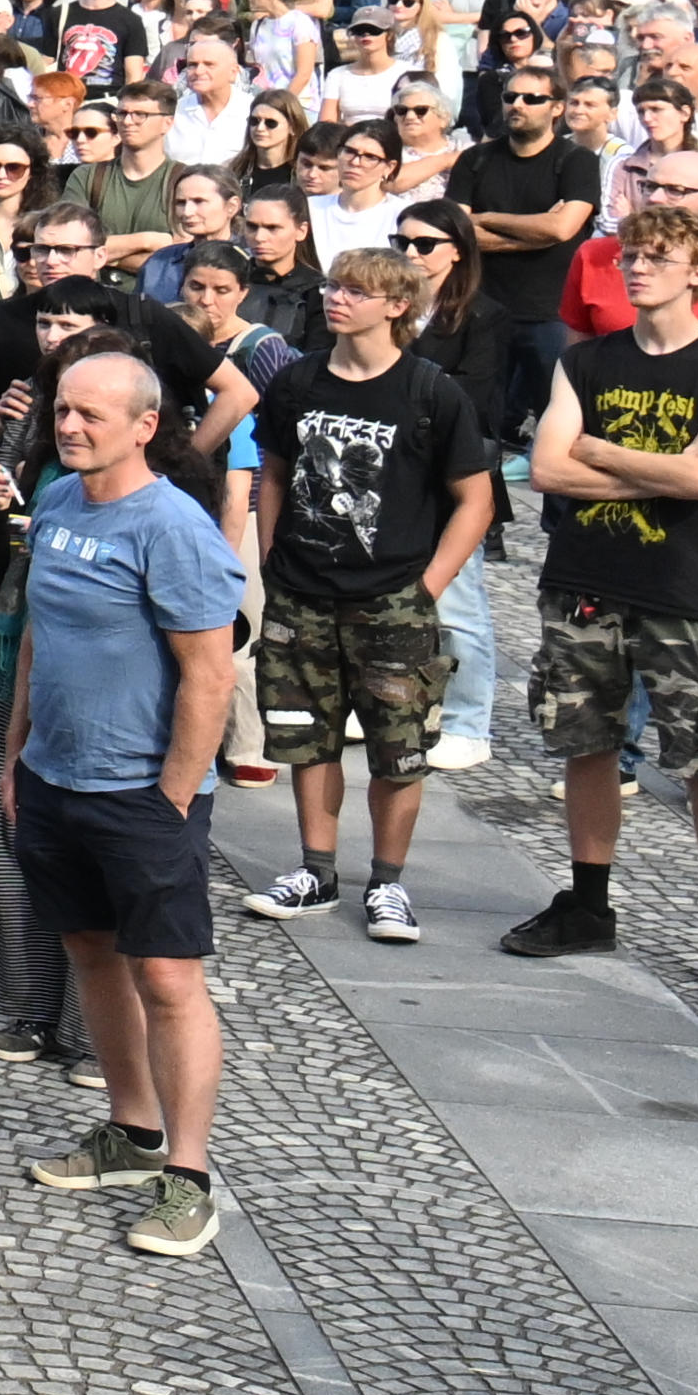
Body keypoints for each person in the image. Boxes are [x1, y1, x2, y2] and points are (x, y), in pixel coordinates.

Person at [5, 351, 255, 1257]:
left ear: (145, 425)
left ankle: (188, 1175)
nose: (69, 426)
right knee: (91, 952)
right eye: (63, 409)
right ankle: (131, 1129)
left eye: (91, 416)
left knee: (169, 977)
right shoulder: (63, 501)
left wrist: (174, 796)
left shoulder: (173, 527)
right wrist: (15, 755)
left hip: (141, 792)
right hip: (54, 778)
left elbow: (209, 673)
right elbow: (39, 635)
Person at [516, 239, 698, 1003]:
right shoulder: (587, 361)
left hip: (688, 588)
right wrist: (662, 475)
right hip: (584, 579)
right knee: (587, 742)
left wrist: (600, 450)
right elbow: (547, 468)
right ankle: (588, 903)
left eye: (659, 258)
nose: (636, 268)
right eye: (631, 256)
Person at [237, 248, 489, 947]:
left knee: (397, 748)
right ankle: (316, 869)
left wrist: (427, 586)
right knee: (305, 736)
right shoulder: (298, 380)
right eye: (333, 285)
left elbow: (476, 500)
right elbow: (275, 471)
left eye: (354, 289)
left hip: (392, 598)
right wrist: (271, 557)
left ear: (397, 305)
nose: (335, 297)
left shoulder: (430, 391)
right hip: (303, 591)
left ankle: (388, 880)